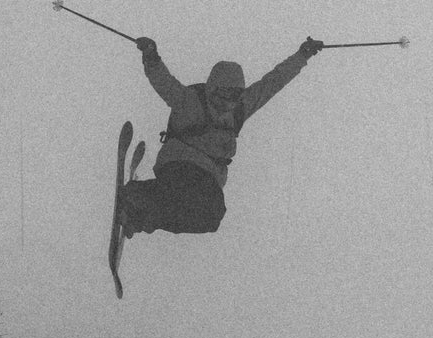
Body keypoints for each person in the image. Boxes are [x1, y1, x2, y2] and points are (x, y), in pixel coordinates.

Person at [120, 35, 324, 237]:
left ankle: (141, 217)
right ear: (212, 89)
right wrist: (150, 55)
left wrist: (302, 55)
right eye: (224, 94)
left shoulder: (239, 109)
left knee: (211, 217)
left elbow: (273, 81)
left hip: (209, 175)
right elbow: (163, 82)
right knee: (185, 190)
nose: (228, 101)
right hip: (181, 163)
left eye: (235, 95)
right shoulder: (190, 102)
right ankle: (139, 194)